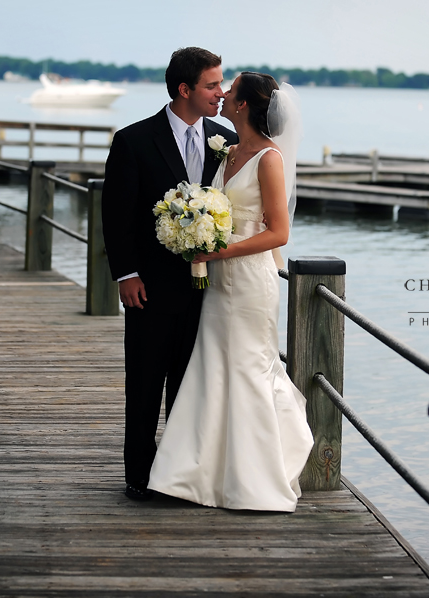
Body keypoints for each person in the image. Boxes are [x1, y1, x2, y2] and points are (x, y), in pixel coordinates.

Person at [147, 72, 314, 512]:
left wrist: (223, 251)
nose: (222, 94)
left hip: (250, 283)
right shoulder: (230, 152)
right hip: (219, 284)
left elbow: (279, 232)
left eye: (230, 90)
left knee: (247, 368)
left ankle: (254, 480)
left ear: (243, 105)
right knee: (213, 370)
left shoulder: (269, 159)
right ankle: (196, 478)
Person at [102, 48, 239, 501]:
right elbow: (116, 216)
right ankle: (139, 477)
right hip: (150, 287)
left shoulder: (226, 139)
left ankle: (180, 476)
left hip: (209, 290)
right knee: (145, 381)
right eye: (212, 85)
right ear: (185, 90)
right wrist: (126, 274)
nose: (220, 93)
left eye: (221, 85)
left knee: (190, 384)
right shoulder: (133, 140)